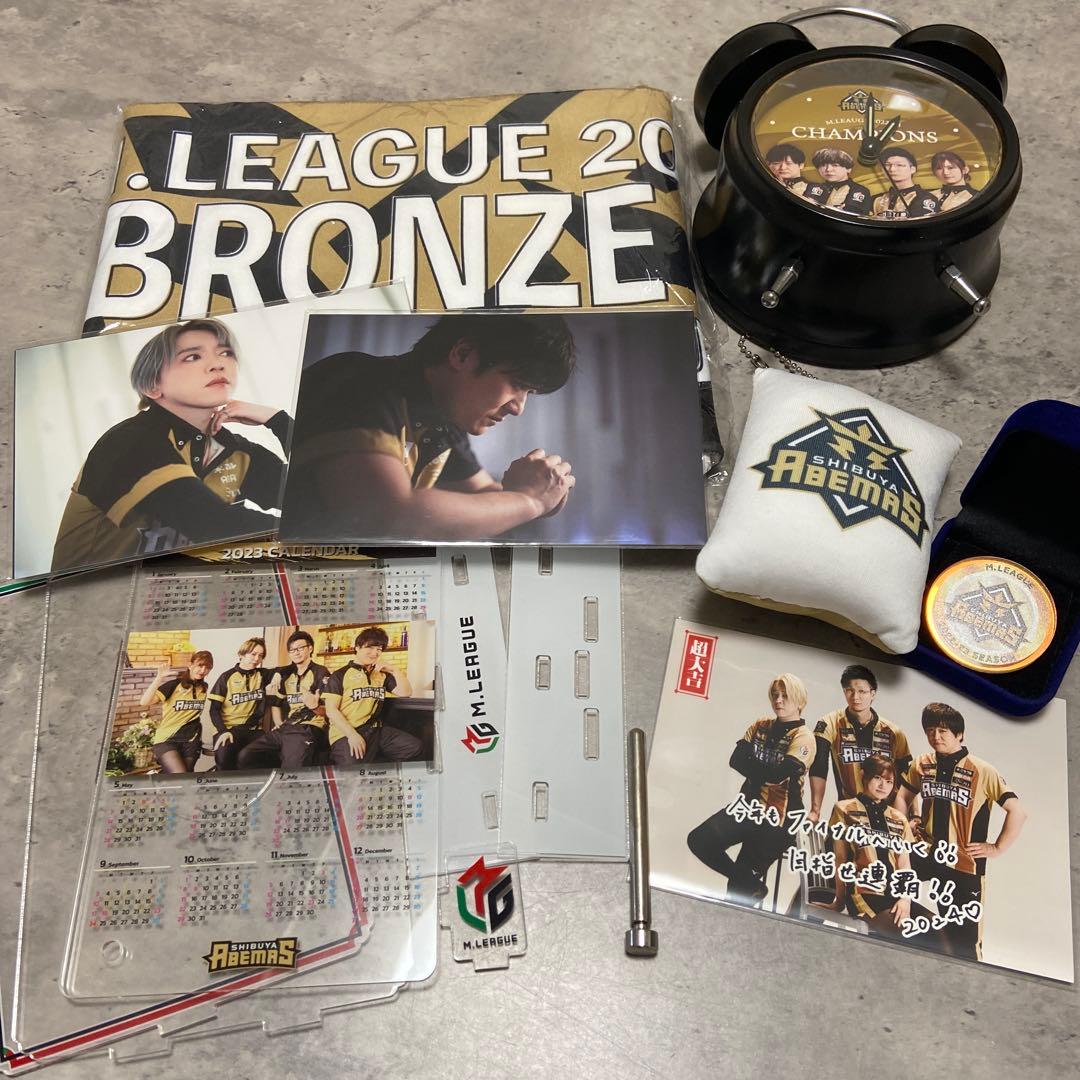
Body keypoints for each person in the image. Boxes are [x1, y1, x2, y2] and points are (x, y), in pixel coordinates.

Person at [281, 314, 576, 542]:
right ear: (462, 354)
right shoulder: (358, 381)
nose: (518, 408)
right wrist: (529, 501)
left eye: (529, 393)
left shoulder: (443, 419)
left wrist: (548, 492)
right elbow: (387, 514)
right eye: (518, 384)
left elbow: (487, 494)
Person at [52, 318, 291, 574]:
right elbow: (212, 524)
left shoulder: (234, 449)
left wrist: (278, 420)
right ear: (152, 386)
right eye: (192, 357)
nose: (218, 364)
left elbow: (314, 494)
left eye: (225, 353)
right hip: (90, 592)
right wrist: (309, 529)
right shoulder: (130, 443)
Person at [893, 702, 1027, 961]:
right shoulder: (923, 763)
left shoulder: (982, 770)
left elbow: (1018, 812)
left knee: (964, 943)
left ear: (960, 734)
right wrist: (907, 822)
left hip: (964, 864)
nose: (936, 736)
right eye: (930, 730)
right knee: (881, 871)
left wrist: (996, 848)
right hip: (928, 852)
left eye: (943, 731)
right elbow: (903, 796)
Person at [687, 673, 816, 905]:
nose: (778, 700)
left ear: (800, 701)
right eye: (775, 695)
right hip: (746, 808)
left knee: (737, 892)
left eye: (785, 696)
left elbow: (779, 774)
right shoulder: (760, 725)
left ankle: (746, 884)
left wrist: (755, 766)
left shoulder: (804, 737)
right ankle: (752, 883)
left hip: (778, 820)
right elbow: (735, 760)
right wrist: (767, 771)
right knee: (699, 839)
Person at [814, 754, 937, 940]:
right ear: (864, 775)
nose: (883, 786)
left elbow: (905, 865)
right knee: (910, 934)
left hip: (894, 894)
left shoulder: (899, 819)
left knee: (939, 931)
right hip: (863, 892)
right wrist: (839, 901)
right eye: (877, 778)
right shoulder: (844, 809)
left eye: (889, 781)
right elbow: (840, 859)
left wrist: (905, 899)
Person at [808, 663, 911, 813]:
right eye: (850, 691)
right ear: (844, 692)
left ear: (873, 694)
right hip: (848, 811)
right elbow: (819, 765)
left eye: (862, 691)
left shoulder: (893, 732)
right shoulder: (830, 722)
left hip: (887, 813)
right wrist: (815, 811)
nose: (855, 697)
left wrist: (911, 816)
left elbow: (908, 779)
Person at [322, 627, 421, 766]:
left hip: (376, 730)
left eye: (379, 649)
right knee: (352, 768)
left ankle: (374, 764)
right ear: (357, 647)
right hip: (346, 732)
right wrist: (352, 735)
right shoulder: (340, 675)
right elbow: (331, 710)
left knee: (413, 747)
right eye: (370, 647)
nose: (375, 653)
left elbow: (406, 692)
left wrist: (395, 670)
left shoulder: (382, 675)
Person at [237, 630, 330, 771]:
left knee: (292, 768)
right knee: (245, 756)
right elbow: (276, 702)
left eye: (300, 648)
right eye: (292, 650)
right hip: (287, 727)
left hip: (308, 727)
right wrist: (279, 723)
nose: (296, 653)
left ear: (310, 648)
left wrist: (315, 706)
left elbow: (330, 710)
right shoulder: (288, 674)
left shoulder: (320, 672)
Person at [207, 637, 281, 771]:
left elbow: (284, 669)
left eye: (260, 655)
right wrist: (223, 731)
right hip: (228, 729)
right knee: (224, 758)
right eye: (253, 654)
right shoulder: (226, 677)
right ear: (241, 654)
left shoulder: (261, 674)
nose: (257, 659)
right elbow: (214, 710)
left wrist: (277, 675)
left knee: (272, 754)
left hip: (252, 730)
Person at [139, 650, 214, 773]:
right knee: (180, 775)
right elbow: (144, 702)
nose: (203, 670)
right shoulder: (174, 685)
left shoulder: (204, 688)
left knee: (186, 777)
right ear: (190, 665)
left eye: (207, 668)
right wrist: (159, 678)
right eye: (200, 666)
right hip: (167, 739)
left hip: (191, 740)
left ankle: (160, 776)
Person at [871, 148, 939, 220]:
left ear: (912, 169)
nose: (892, 169)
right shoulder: (876, 199)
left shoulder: (925, 199)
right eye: (887, 165)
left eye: (899, 165)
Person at [801, 148, 871, 216]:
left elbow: (849, 215)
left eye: (835, 165)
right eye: (823, 165)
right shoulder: (814, 187)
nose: (828, 169)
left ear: (848, 169)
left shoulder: (860, 190)